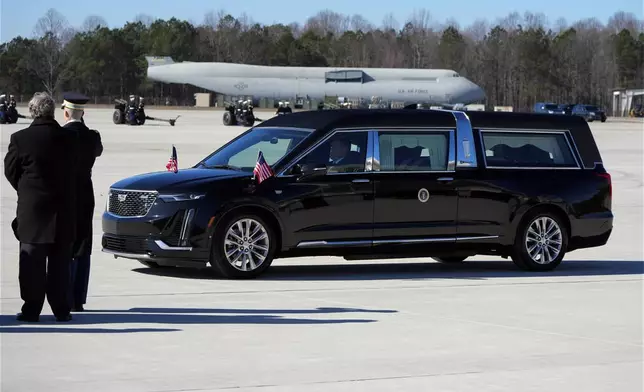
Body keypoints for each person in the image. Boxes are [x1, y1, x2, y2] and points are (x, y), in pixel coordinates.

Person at [4, 92, 79, 322]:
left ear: (33, 112)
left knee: (31, 264)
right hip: (63, 210)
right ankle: (61, 309)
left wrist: (26, 190)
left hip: (33, 210)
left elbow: (10, 171)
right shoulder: (69, 138)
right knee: (60, 264)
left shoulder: (20, 139)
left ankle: (32, 309)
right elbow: (77, 171)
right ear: (52, 111)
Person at [61, 92, 103, 312]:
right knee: (83, 246)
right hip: (86, 194)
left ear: (66, 112)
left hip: (65, 193)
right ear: (83, 113)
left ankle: (64, 295)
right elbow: (97, 151)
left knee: (65, 246)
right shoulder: (92, 137)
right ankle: (78, 298)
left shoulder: (60, 136)